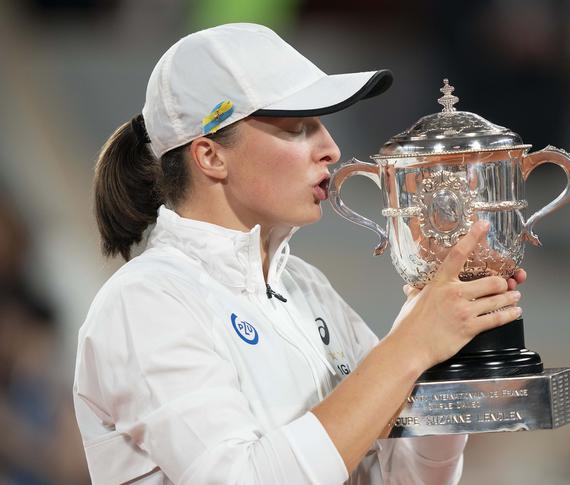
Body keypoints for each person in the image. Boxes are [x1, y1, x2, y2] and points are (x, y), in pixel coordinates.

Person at [73, 23, 525, 484]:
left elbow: (405, 478)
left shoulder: (307, 287)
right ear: (210, 156)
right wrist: (408, 348)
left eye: (322, 126)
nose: (331, 149)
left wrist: (442, 359)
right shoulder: (145, 302)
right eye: (298, 128)